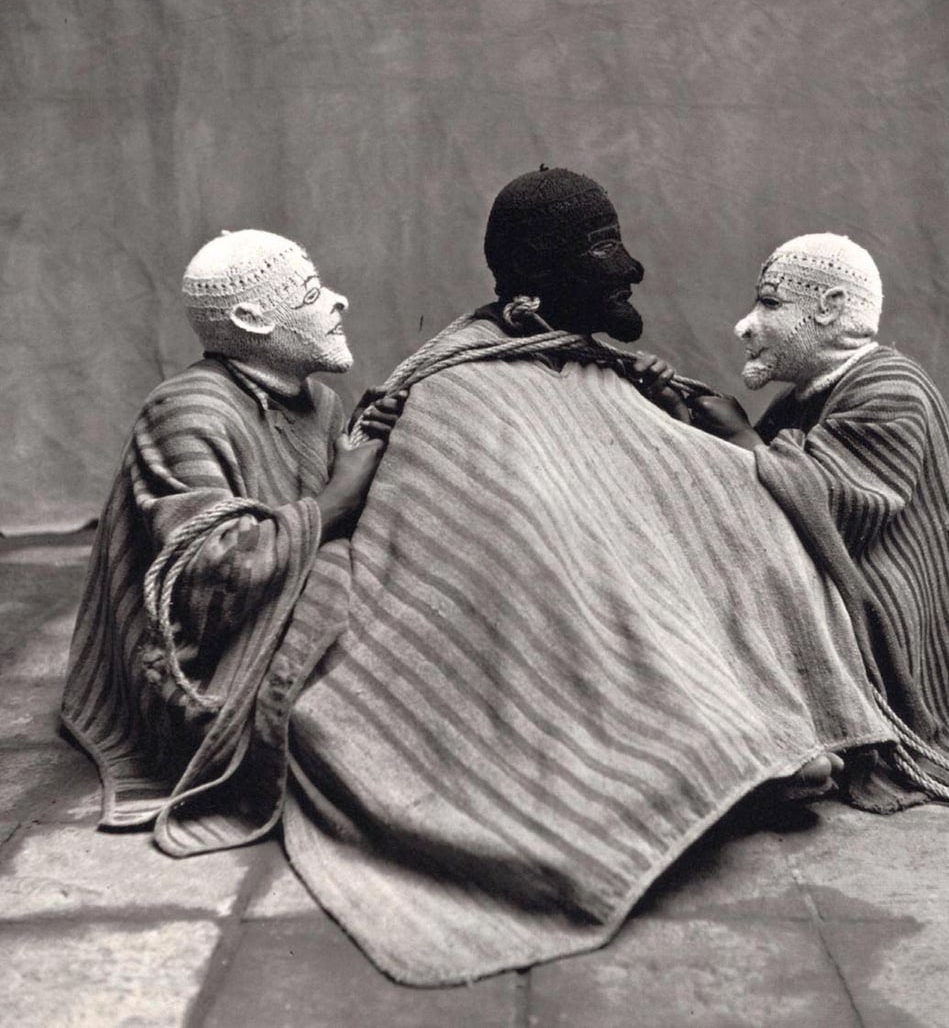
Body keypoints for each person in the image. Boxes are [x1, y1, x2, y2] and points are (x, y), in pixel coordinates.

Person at [273, 170, 901, 985]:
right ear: (538, 281)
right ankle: (704, 758)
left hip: (651, 614)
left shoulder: (599, 366)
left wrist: (730, 461)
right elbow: (498, 533)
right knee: (567, 558)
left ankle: (758, 730)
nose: (631, 268)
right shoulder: (458, 385)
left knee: (725, 500)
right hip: (553, 633)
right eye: (604, 248)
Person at [61, 229, 405, 840]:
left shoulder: (320, 403)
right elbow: (208, 575)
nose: (338, 300)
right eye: (309, 290)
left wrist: (359, 446)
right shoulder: (185, 412)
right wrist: (337, 498)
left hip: (281, 607)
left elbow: (320, 512)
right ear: (250, 318)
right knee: (350, 718)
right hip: (207, 660)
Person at [688, 233, 949, 757]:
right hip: (862, 561)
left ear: (831, 307)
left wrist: (739, 437)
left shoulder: (892, 387)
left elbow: (834, 508)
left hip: (898, 588)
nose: (746, 324)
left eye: (771, 303)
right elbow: (774, 475)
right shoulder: (809, 392)